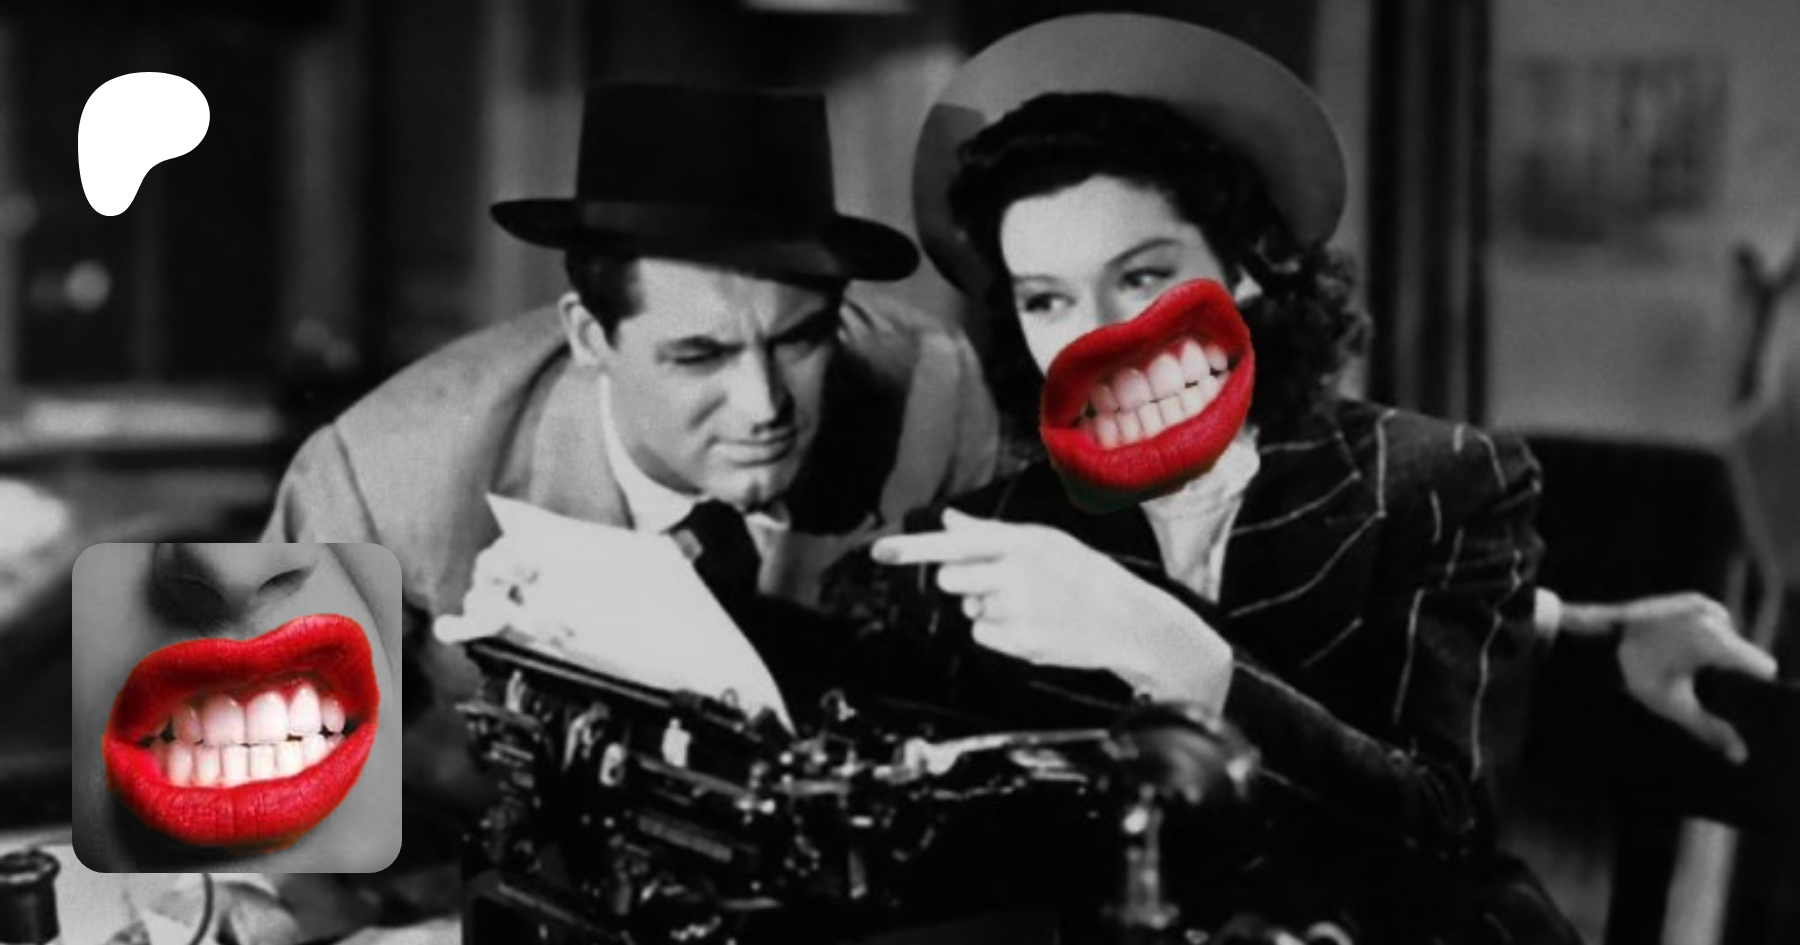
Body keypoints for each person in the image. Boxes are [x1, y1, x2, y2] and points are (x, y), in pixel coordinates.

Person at [872, 13, 1575, 942]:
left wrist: (1169, 651)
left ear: (1245, 268)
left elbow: (1441, 835)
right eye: (1047, 299)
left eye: (1142, 277)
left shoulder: (1439, 482)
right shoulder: (992, 538)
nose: (1097, 339)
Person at [258, 82, 999, 876]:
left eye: (801, 341)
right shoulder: (378, 470)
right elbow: (243, 821)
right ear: (589, 336)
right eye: (700, 355)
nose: (764, 406)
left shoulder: (935, 394)